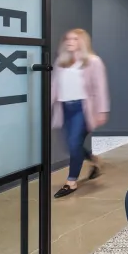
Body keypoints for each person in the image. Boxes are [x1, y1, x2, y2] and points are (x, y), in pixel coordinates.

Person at [51, 29, 110, 198]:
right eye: (67, 38)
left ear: (82, 42)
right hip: (64, 108)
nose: (69, 41)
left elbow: (100, 88)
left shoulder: (93, 62)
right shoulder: (61, 62)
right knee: (70, 146)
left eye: (74, 39)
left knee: (74, 142)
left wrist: (102, 110)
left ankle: (71, 182)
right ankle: (94, 160)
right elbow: (54, 86)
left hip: (82, 109)